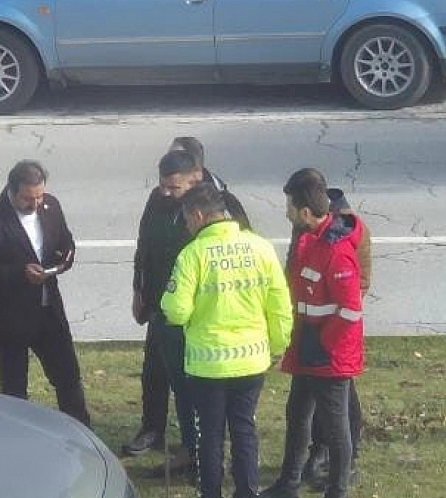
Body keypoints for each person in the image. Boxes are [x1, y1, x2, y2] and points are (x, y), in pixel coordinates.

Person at [125, 137, 251, 472]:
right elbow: (145, 244)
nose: (166, 193)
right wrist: (139, 289)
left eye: (174, 187)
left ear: (195, 178)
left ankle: (202, 454)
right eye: (163, 186)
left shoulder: (220, 205)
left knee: (196, 387)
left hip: (198, 313)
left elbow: (242, 251)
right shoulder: (158, 200)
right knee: (170, 378)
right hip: (161, 306)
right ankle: (186, 446)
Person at [161, 182, 293, 498]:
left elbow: (176, 311)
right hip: (251, 358)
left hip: (208, 364)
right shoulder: (260, 247)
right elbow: (280, 303)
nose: (188, 226)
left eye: (188, 220)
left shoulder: (193, 254)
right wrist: (278, 344)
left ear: (197, 215)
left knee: (210, 434)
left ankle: (211, 492)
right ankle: (247, 491)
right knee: (245, 429)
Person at [260, 169, 366, 498]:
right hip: (308, 345)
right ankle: (289, 483)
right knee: (297, 414)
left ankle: (337, 490)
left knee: (335, 426)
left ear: (305, 211)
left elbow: (350, 309)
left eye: (290, 206)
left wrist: (323, 343)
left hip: (328, 354)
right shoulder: (311, 240)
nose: (286, 212)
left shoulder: (336, 251)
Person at [0, 159, 91, 426]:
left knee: (68, 377)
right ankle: (19, 438)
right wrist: (19, 273)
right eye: (27, 198)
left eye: (39, 196)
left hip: (48, 312)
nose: (35, 204)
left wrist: (63, 261)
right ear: (11, 190)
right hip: (8, 317)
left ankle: (81, 431)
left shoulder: (51, 207)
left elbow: (65, 241)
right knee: (14, 387)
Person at [293, 184, 372, 491]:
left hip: (330, 344)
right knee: (303, 410)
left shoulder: (337, 242)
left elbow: (352, 299)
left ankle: (340, 476)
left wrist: (326, 339)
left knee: (339, 414)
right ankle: (309, 465)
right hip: (314, 336)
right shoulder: (310, 233)